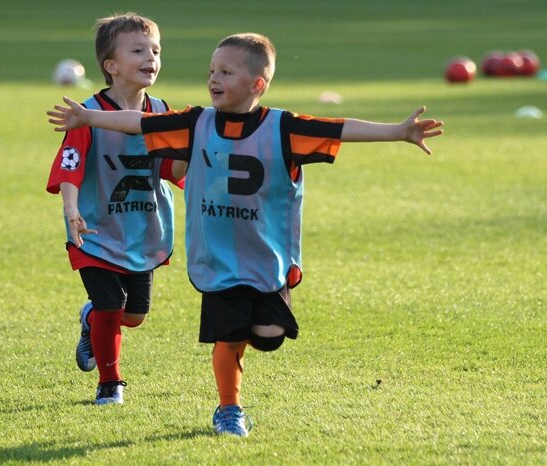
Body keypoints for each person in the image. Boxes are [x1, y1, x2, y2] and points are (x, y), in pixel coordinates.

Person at [47, 33, 443, 433]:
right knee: (229, 336)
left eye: (226, 72)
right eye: (212, 71)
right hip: (217, 260)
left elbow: (338, 129)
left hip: (265, 258)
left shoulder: (283, 127)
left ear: (256, 84)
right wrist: (89, 117)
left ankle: (228, 367)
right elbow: (138, 123)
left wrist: (398, 131)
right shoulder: (195, 122)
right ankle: (228, 409)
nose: (213, 79)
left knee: (269, 335)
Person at [45, 13, 186, 406]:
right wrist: (71, 209)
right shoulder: (86, 113)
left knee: (134, 315)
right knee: (112, 306)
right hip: (94, 230)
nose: (151, 58)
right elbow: (70, 165)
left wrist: (188, 152)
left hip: (143, 229)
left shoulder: (162, 110)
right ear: (111, 66)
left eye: (155, 50)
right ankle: (110, 384)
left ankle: (90, 319)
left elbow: (172, 171)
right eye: (138, 51)